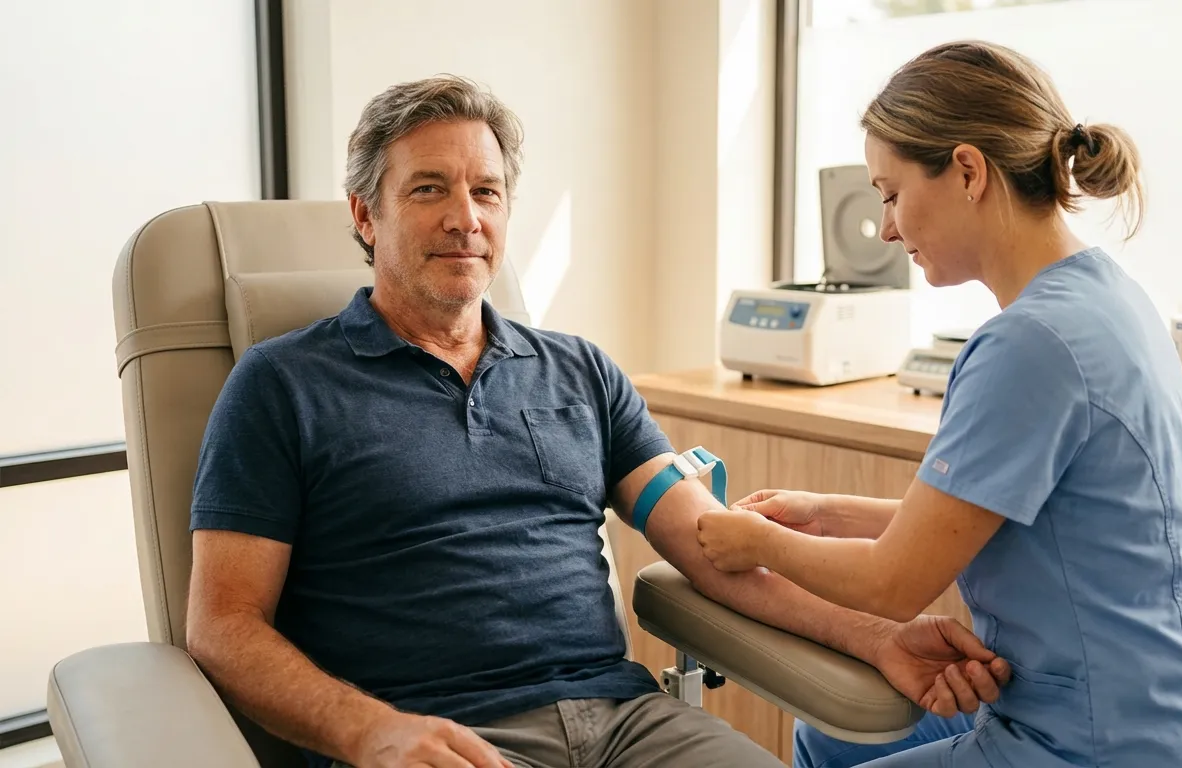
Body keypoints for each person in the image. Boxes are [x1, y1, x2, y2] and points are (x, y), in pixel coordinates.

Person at [184, 74, 1013, 768]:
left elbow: (711, 548)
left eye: (486, 192)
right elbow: (223, 626)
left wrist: (875, 636)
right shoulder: (282, 386)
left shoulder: (579, 372)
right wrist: (370, 731)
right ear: (366, 217)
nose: (463, 217)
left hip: (627, 724)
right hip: (446, 739)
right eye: (428, 189)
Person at [696, 40, 1182, 768]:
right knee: (827, 737)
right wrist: (823, 511)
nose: (887, 228)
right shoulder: (1106, 295)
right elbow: (997, 518)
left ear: (967, 170)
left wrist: (757, 543)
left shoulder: (1030, 343)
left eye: (892, 193)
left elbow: (894, 584)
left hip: (1116, 743)